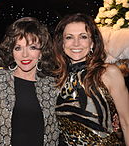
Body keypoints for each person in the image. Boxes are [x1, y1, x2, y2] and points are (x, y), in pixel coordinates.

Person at [53, 13, 129, 145]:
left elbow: (126, 122)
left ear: (92, 42)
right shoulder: (57, 78)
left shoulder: (108, 73)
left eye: (83, 37)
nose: (76, 43)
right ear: (62, 43)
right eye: (69, 37)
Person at [0, 17, 59, 145]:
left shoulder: (52, 84)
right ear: (11, 51)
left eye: (32, 47)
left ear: (41, 52)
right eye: (18, 48)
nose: (25, 55)